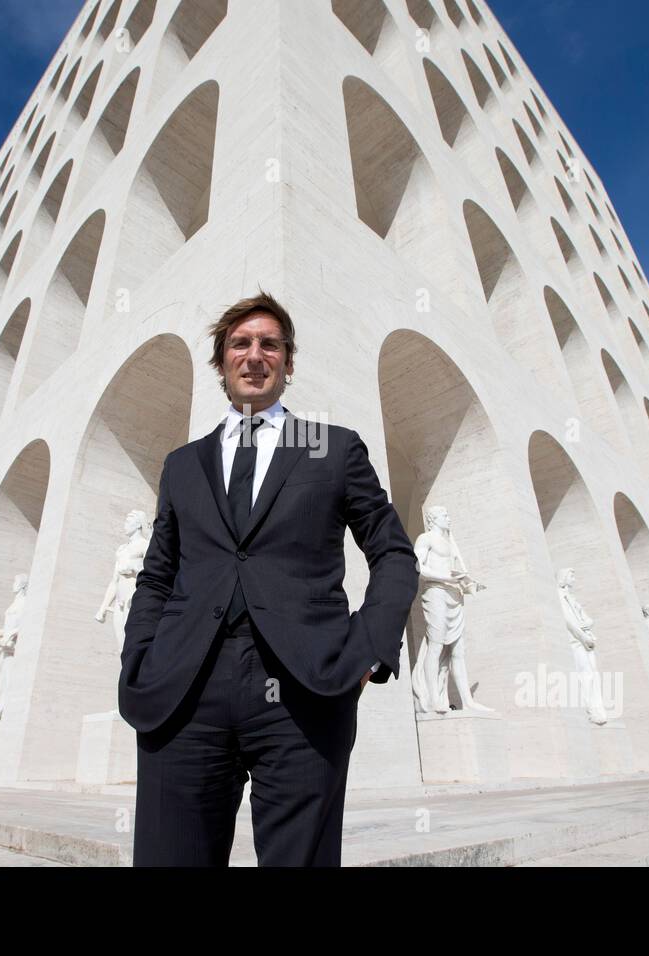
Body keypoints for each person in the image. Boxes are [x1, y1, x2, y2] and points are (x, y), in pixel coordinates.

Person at [118, 290, 419, 866]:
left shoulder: (333, 449)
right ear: (221, 362)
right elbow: (157, 575)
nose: (255, 355)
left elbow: (394, 553)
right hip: (184, 687)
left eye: (269, 344)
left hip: (303, 689)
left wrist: (365, 651)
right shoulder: (183, 465)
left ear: (287, 362)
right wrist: (140, 657)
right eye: (241, 343)